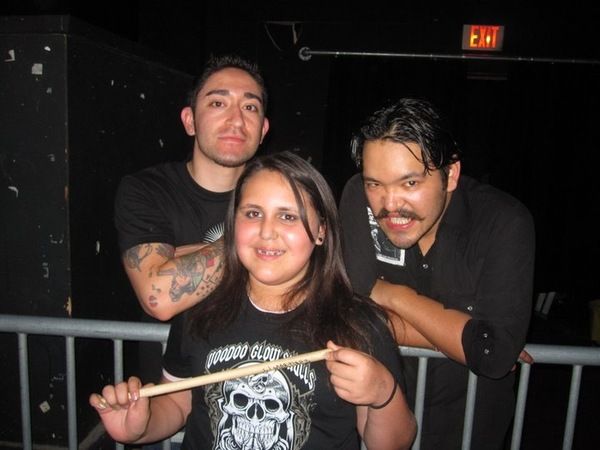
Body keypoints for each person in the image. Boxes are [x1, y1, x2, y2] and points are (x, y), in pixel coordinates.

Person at [90, 151, 417, 449]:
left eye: (288, 216)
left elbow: (393, 445)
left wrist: (382, 393)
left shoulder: (359, 324)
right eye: (253, 213)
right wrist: (140, 426)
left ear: (321, 231)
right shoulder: (201, 309)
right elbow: (177, 403)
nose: (266, 231)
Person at [339, 98, 535, 450]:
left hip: (468, 427)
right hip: (382, 423)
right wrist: (466, 338)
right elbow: (350, 315)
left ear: (451, 174)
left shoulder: (503, 222)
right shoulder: (357, 197)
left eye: (410, 183)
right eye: (375, 184)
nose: (389, 204)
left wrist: (389, 294)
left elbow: (493, 355)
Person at [114, 54, 270, 382]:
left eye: (250, 107)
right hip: (169, 393)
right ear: (190, 121)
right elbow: (158, 296)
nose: (236, 119)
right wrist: (261, 244)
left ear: (263, 129)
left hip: (251, 387)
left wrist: (181, 256)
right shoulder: (147, 190)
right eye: (218, 103)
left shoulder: (281, 193)